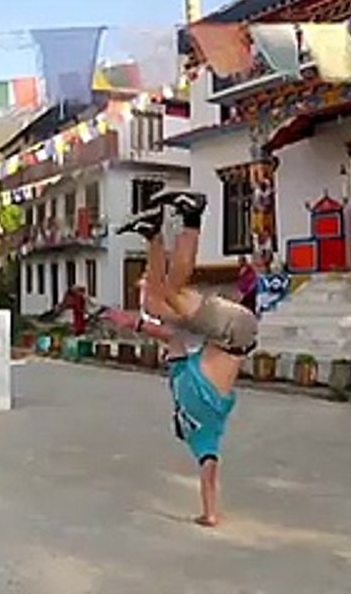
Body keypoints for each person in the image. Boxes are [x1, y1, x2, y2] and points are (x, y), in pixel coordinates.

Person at [116, 189, 259, 528]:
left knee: (156, 301)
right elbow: (209, 474)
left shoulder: (178, 383)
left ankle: (153, 233)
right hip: (235, 334)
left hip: (228, 333)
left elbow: (171, 336)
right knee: (171, 293)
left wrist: (139, 322)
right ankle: (191, 217)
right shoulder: (203, 435)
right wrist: (210, 512)